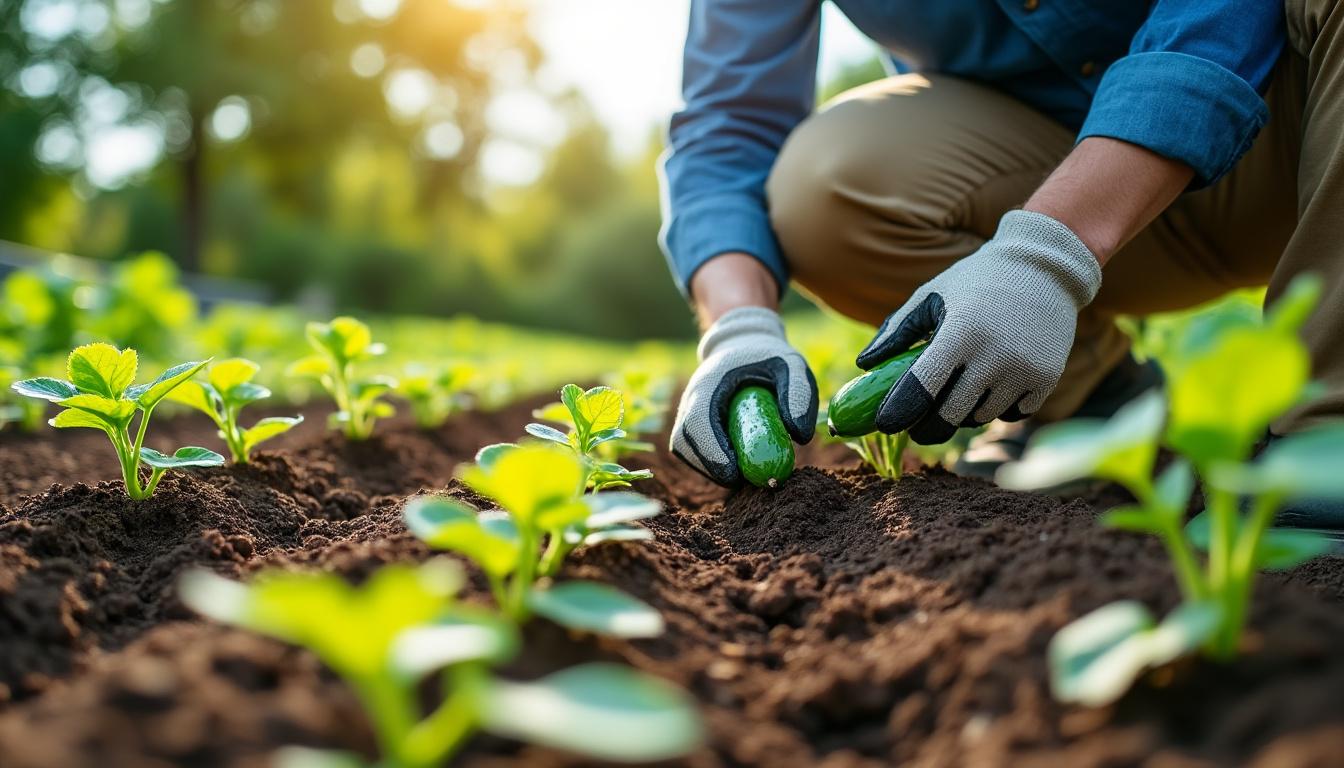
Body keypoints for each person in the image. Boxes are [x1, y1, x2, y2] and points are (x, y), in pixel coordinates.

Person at [659, 0, 1343, 527]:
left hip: (1298, 138)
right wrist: (737, 327)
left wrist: (1046, 253)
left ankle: (1327, 436)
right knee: (823, 185)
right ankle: (1094, 397)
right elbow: (728, 128)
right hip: (1053, 178)